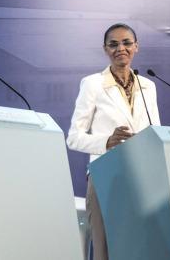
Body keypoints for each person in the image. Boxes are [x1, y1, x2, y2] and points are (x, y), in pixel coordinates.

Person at [67, 23, 160, 260]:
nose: (121, 48)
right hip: (105, 175)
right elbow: (74, 138)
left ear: (136, 47)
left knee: (139, 248)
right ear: (105, 49)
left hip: (141, 177)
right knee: (105, 250)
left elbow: (155, 132)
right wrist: (106, 141)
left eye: (127, 42)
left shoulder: (148, 85)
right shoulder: (92, 84)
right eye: (114, 44)